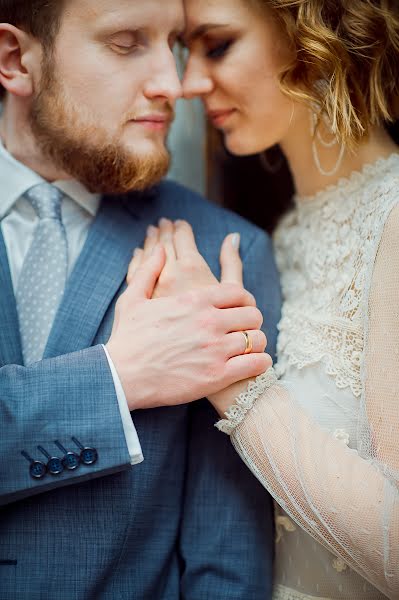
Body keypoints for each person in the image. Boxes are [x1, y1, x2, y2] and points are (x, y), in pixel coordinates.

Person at [0, 1, 282, 598]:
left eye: (173, 44)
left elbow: (226, 564)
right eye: (127, 42)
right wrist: (116, 379)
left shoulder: (224, 251)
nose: (174, 84)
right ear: (16, 59)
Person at [133, 0, 399, 598]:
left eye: (217, 45)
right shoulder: (282, 237)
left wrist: (235, 384)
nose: (188, 83)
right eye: (187, 53)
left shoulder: (395, 220)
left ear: (313, 35)